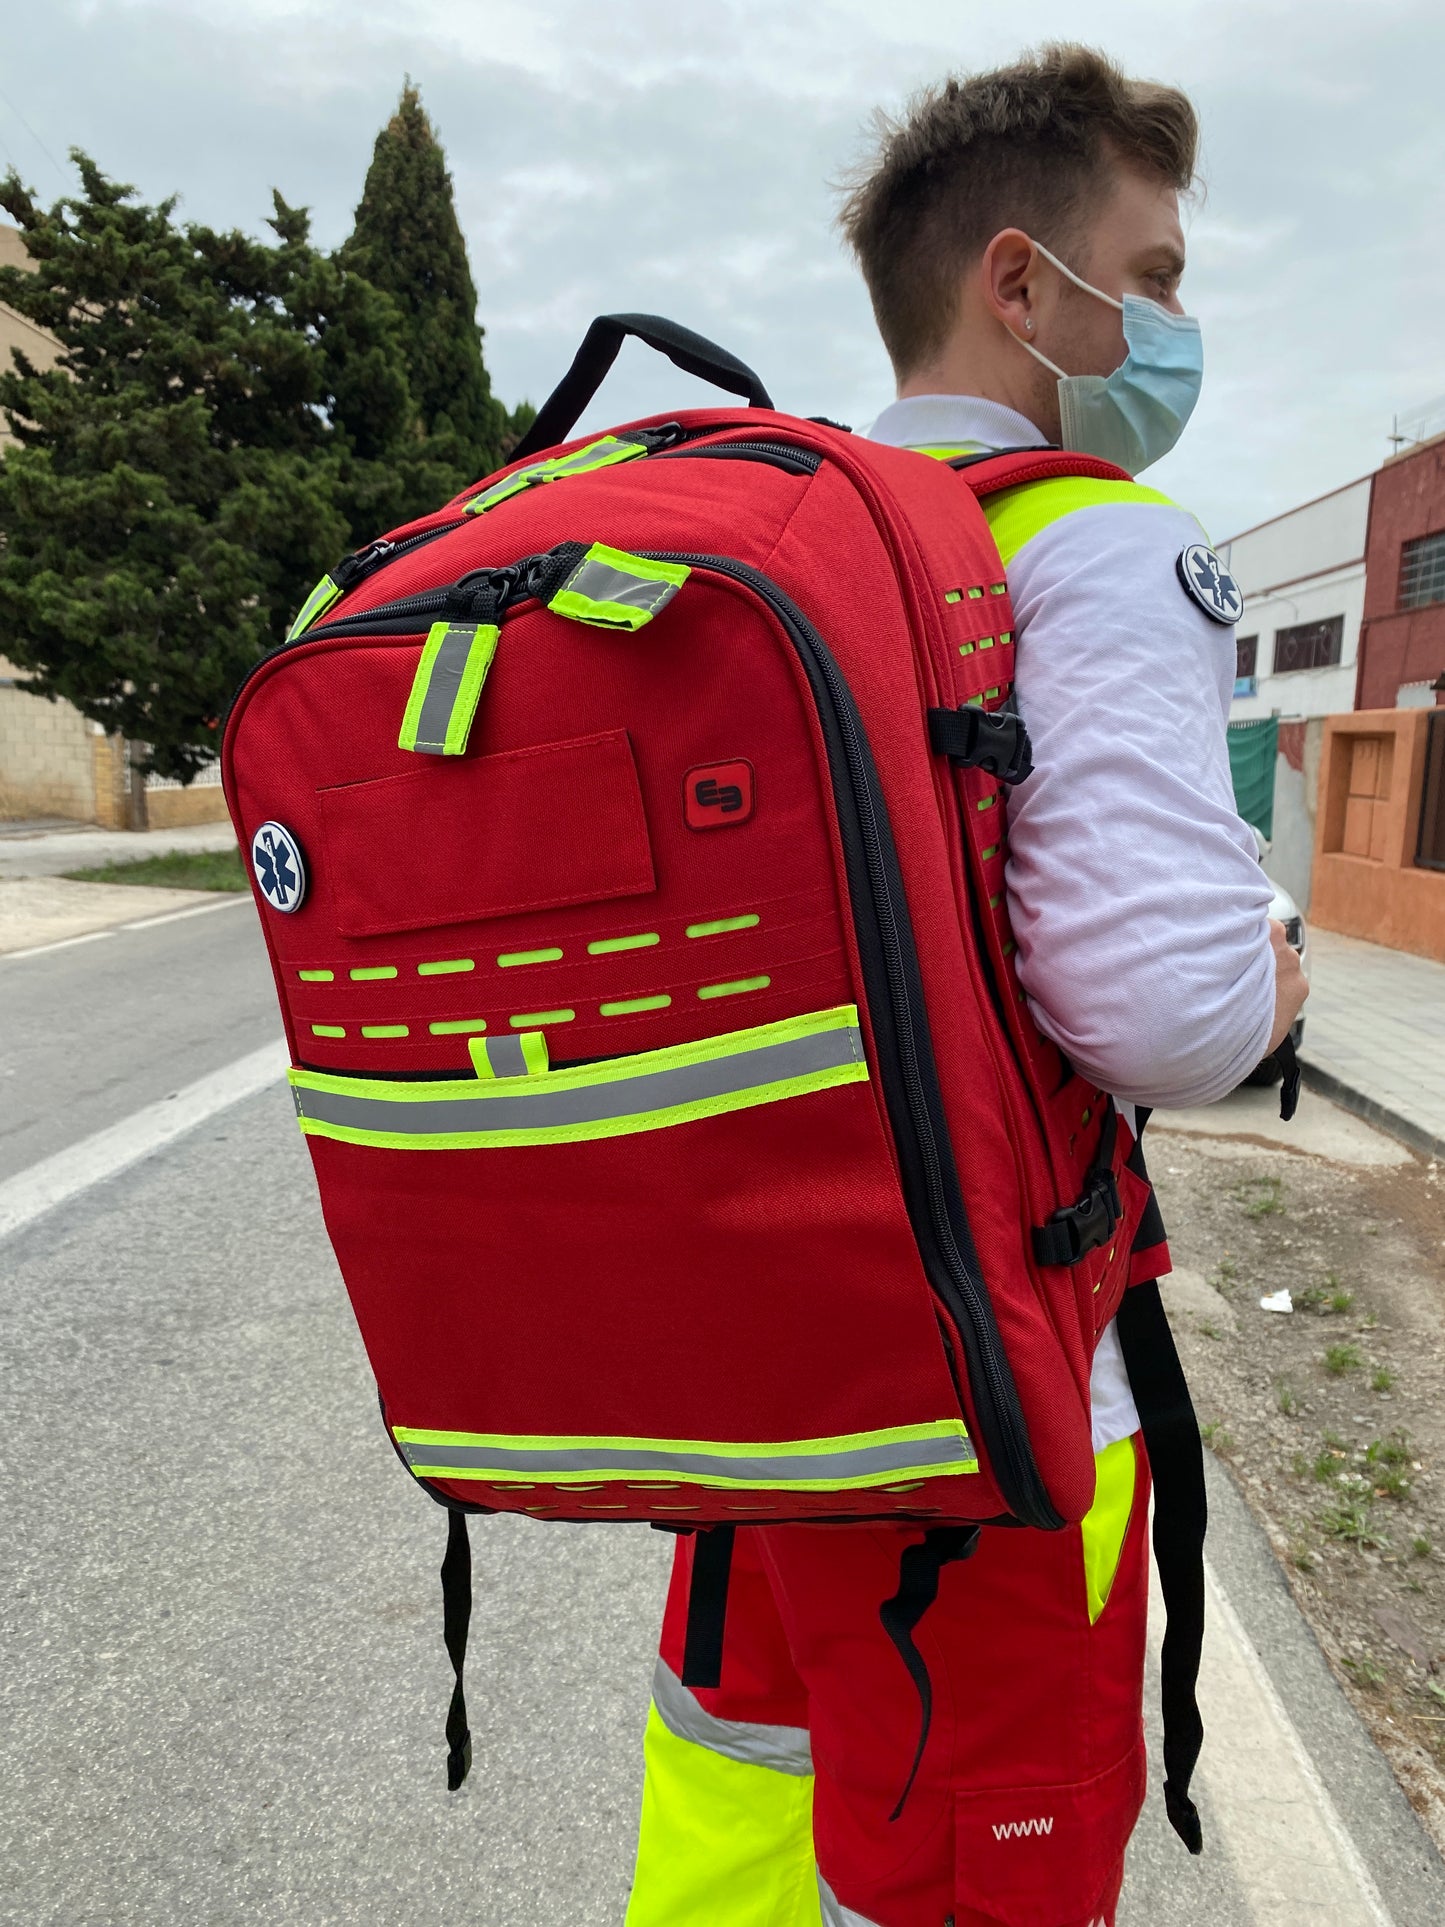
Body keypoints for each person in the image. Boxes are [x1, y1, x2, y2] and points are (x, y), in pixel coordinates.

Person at [625, 44, 1309, 1927]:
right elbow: (1158, 1013)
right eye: (1151, 275)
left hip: (744, 1405)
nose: (1171, 321)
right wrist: (1278, 960)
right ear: (1019, 284)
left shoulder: (755, 558)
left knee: (739, 1819)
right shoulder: (1085, 543)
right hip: (983, 1428)